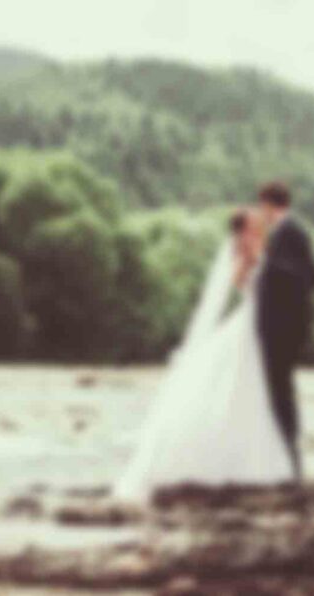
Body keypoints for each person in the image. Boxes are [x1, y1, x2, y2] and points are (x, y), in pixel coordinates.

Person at [112, 206, 297, 502]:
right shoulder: (244, 254)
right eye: (253, 223)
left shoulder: (261, 249)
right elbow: (245, 284)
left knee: (251, 391)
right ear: (242, 229)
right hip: (249, 325)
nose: (258, 224)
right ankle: (237, 462)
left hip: (257, 325)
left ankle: (250, 458)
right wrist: (253, 262)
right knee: (240, 387)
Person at [255, 181, 314, 480]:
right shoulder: (281, 233)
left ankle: (290, 456)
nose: (261, 211)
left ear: (270, 204)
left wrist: (269, 266)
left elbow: (312, 276)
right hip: (274, 327)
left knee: (281, 390)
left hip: (285, 327)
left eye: (262, 205)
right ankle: (283, 455)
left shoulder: (294, 231)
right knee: (276, 389)